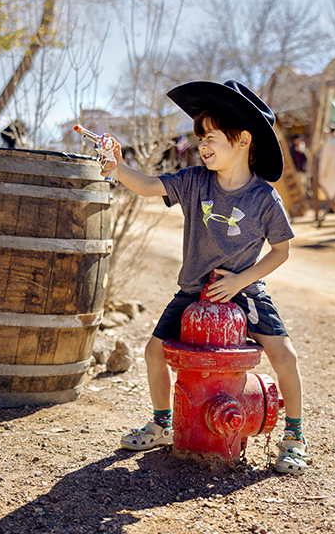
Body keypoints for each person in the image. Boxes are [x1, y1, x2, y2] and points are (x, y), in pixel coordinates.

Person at [99, 80, 307, 474]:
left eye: (211, 137)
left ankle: (295, 436)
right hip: (193, 289)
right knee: (153, 353)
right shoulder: (195, 180)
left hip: (244, 289)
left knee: (285, 355)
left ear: (243, 139)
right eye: (200, 140)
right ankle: (162, 423)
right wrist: (117, 167)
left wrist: (240, 281)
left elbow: (282, 250)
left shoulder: (264, 197)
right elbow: (147, 186)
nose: (203, 147)